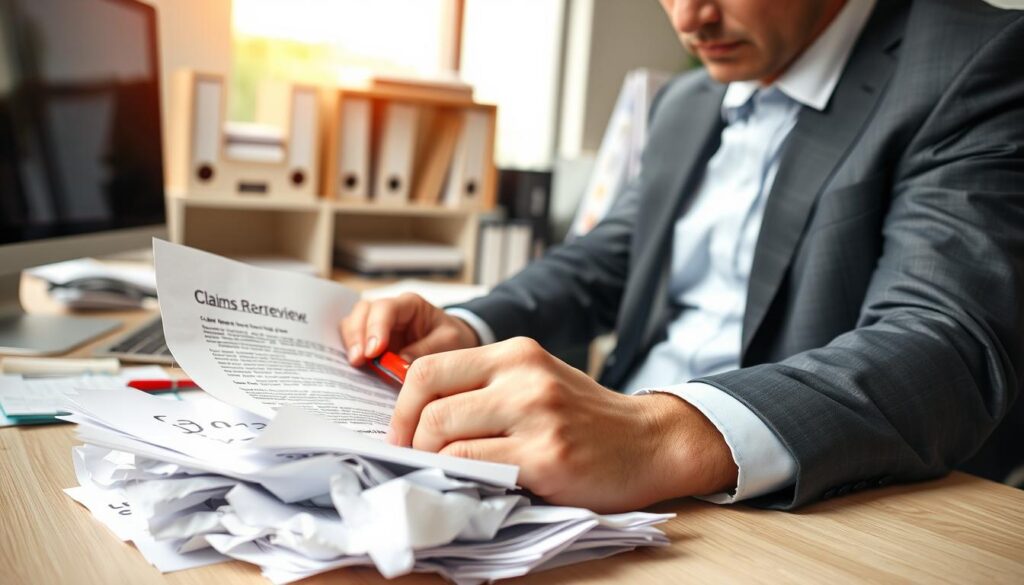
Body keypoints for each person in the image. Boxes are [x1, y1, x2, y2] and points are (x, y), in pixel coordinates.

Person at [341, 0, 1024, 513]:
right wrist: (467, 325)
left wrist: (655, 434)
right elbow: (607, 259)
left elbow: (947, 343)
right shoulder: (687, 99)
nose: (689, 18)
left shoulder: (973, 60)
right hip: (598, 469)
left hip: (788, 498)